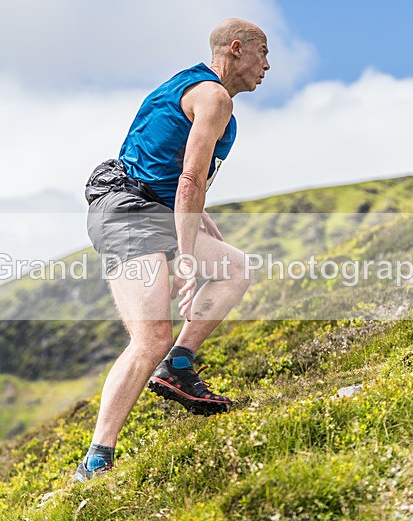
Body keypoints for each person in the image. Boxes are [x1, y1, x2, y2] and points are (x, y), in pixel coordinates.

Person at [73, 18, 270, 482]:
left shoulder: (203, 94)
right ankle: (96, 460)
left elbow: (174, 174)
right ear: (237, 49)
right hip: (126, 212)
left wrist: (204, 230)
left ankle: (177, 367)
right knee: (150, 336)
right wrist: (185, 256)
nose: (267, 66)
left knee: (235, 267)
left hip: (151, 208)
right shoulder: (213, 96)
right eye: (263, 54)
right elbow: (187, 181)